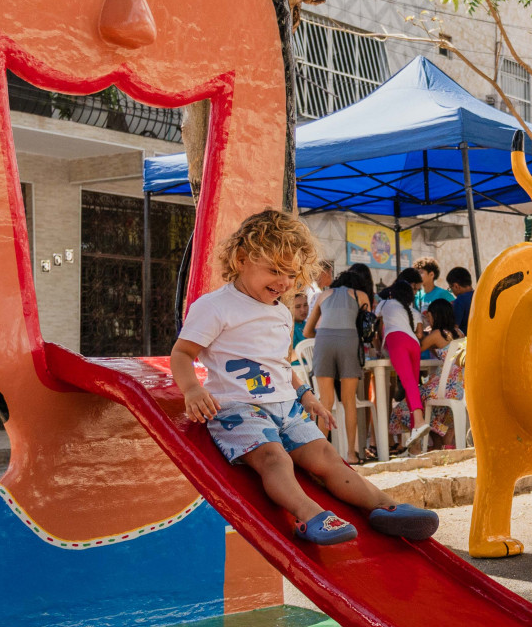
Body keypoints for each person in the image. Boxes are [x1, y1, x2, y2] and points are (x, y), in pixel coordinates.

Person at [170, 210, 436, 543]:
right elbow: (181, 353)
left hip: (285, 405)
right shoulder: (216, 307)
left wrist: (306, 395)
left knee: (326, 456)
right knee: (274, 457)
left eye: (291, 274)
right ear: (241, 259)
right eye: (275, 270)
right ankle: (311, 515)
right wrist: (192, 389)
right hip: (239, 409)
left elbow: (281, 364)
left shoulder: (282, 312)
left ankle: (385, 508)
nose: (283, 282)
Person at [305, 262, 374, 463]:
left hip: (323, 341)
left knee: (325, 402)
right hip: (349, 341)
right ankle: (351, 454)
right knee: (349, 400)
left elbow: (308, 331)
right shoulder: (361, 296)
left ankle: (319, 455)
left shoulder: (323, 295)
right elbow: (368, 328)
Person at [377, 278, 425, 433]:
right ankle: (416, 438)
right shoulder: (413, 311)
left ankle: (419, 422)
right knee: (413, 386)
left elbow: (374, 321)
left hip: (397, 341)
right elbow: (419, 333)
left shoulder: (385, 304)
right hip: (414, 344)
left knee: (408, 383)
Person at [446, 266, 475, 332]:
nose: (452, 291)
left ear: (456, 286)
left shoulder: (459, 301)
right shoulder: (478, 295)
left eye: (450, 288)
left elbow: (455, 327)